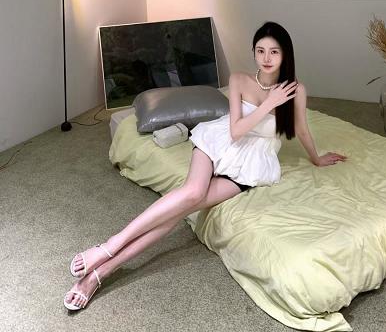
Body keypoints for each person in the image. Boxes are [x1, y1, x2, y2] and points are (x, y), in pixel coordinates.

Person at [64, 21, 347, 311]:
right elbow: (236, 131)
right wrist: (268, 103)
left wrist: (316, 157)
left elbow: (302, 129)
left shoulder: (296, 90)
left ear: (286, 54)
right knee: (193, 193)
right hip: (218, 143)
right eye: (260, 50)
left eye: (274, 51)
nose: (266, 58)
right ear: (253, 52)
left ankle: (101, 272)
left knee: (179, 212)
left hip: (251, 164)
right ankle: (109, 246)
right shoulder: (239, 79)